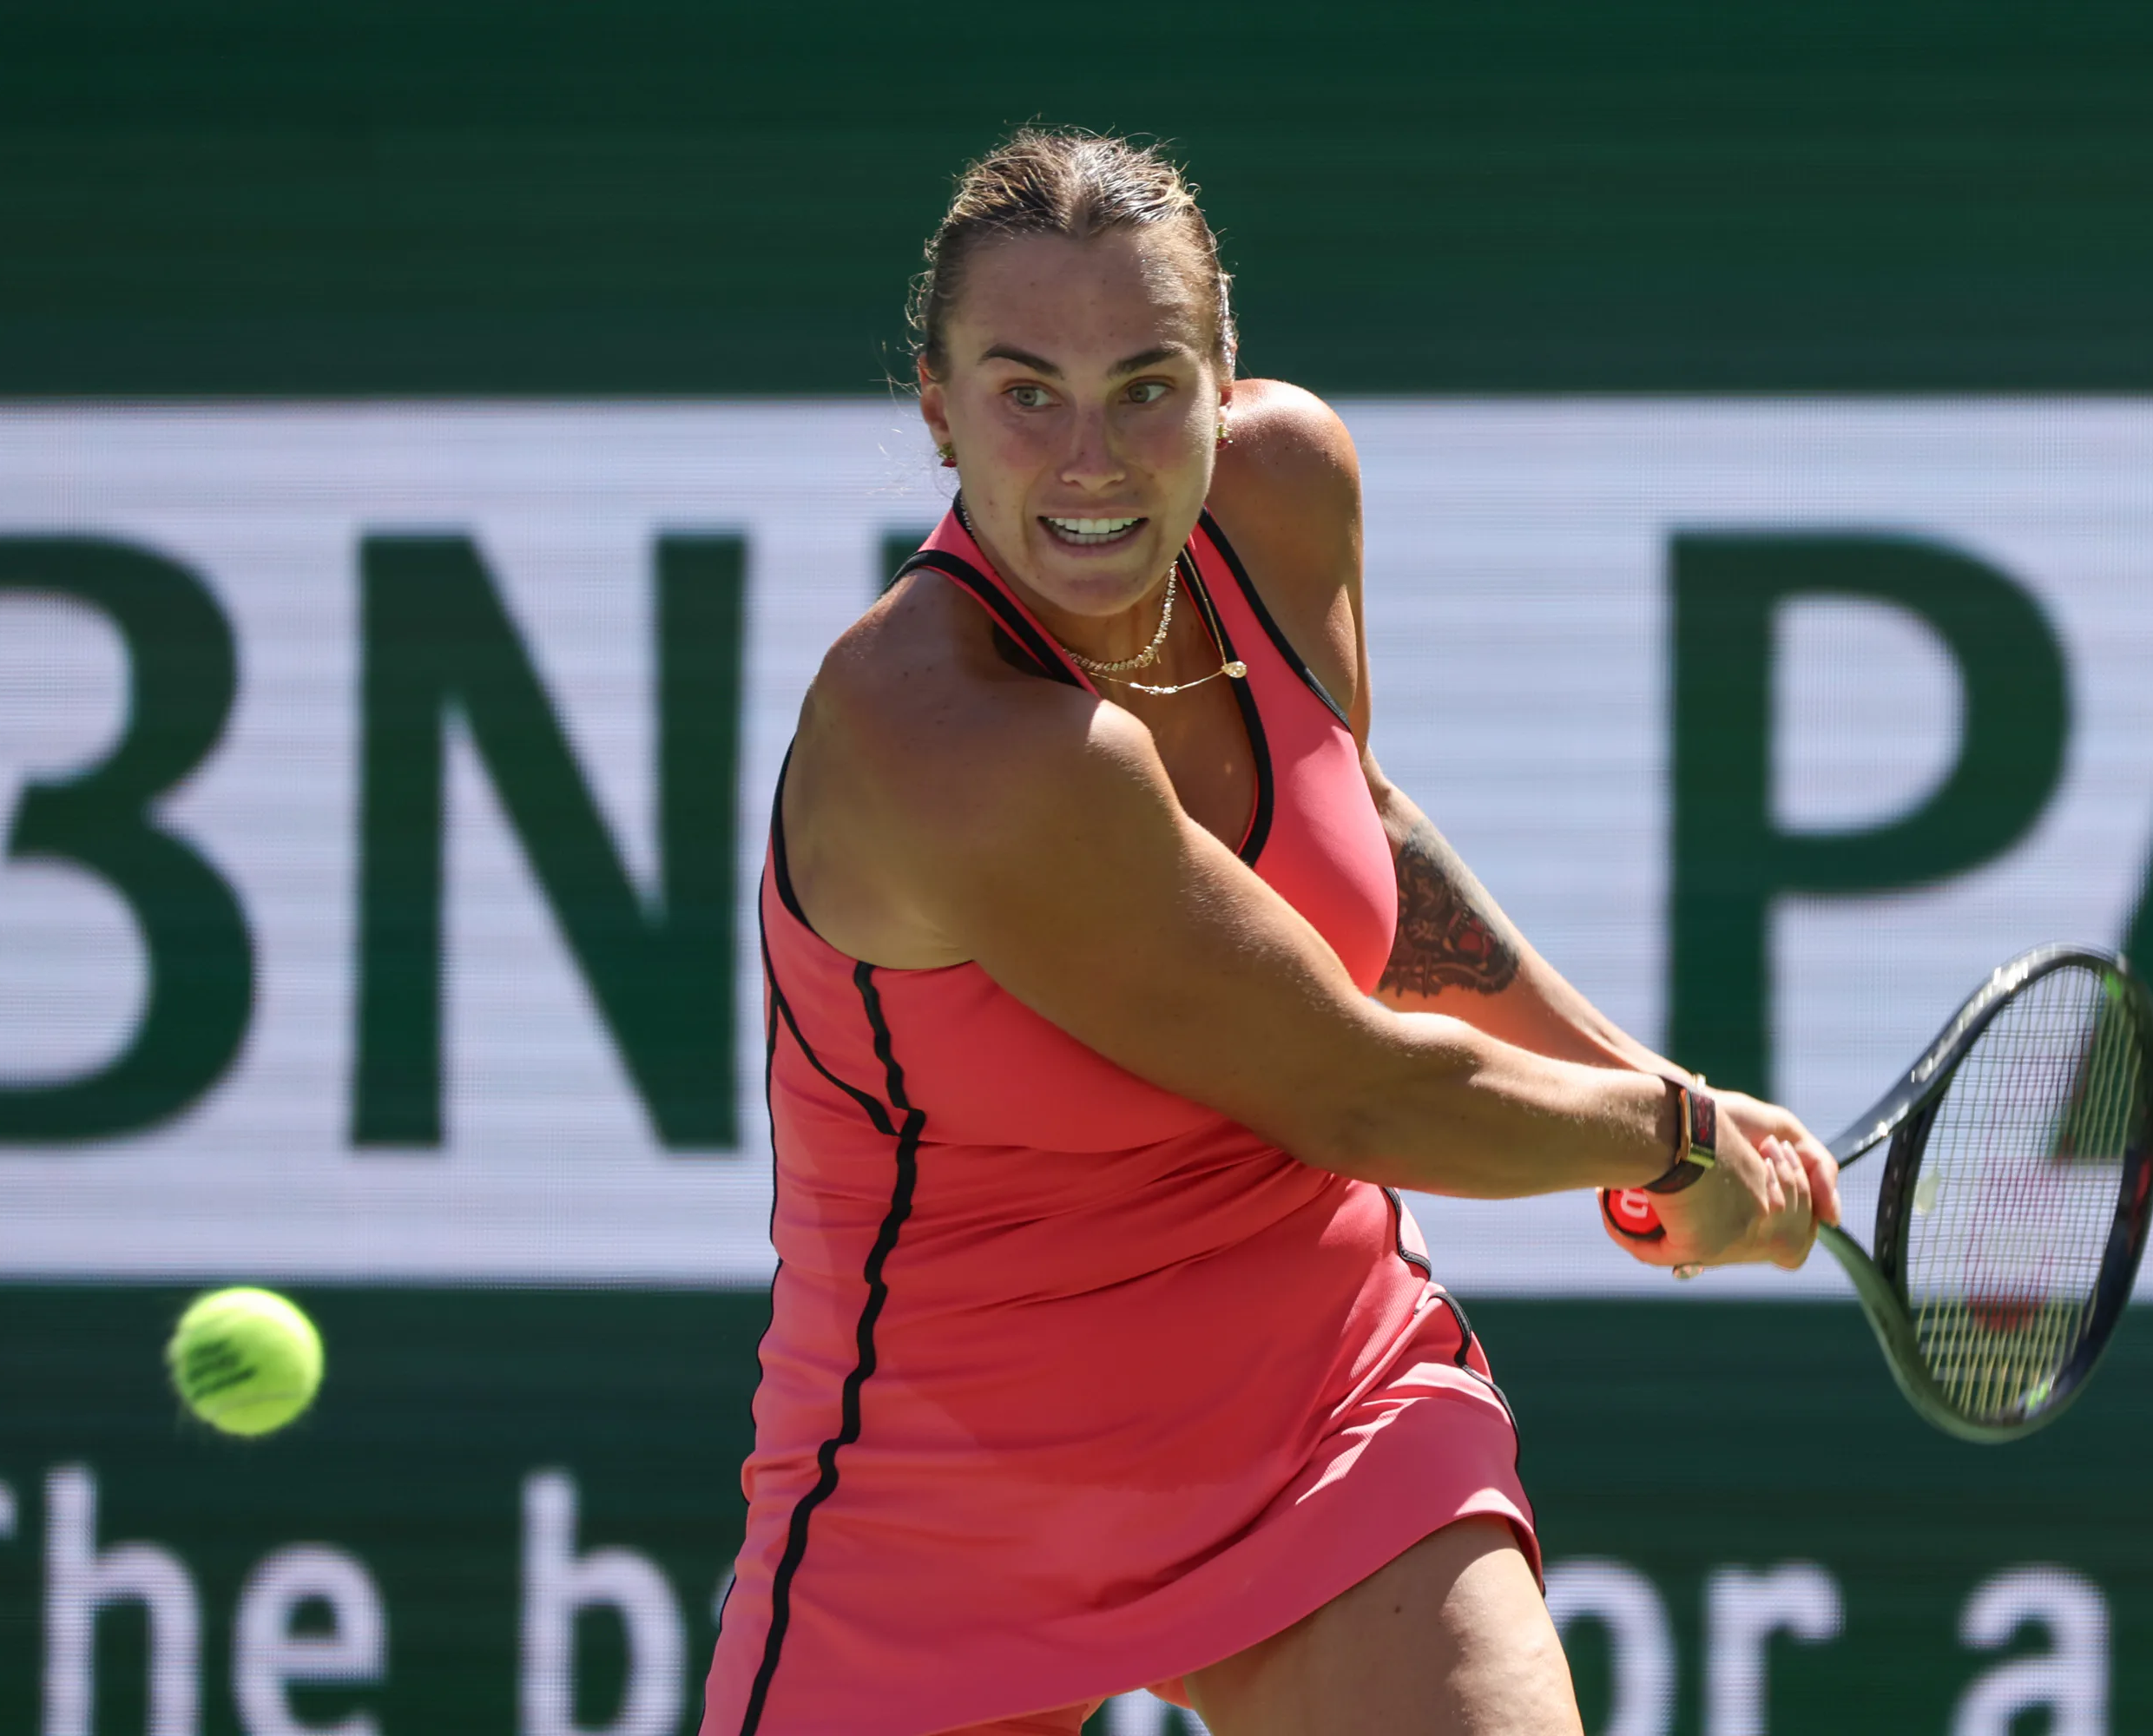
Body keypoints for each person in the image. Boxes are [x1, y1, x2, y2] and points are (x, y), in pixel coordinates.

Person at [702, 128, 1842, 1736]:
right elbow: (1355, 1092)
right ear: (938, 408)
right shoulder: (946, 736)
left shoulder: (1285, 493)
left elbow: (1357, 839)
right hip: (940, 1495)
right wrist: (1667, 1138)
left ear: (1224, 378)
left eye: (1148, 385)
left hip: (1324, 1413)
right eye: (1026, 394)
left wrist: (1644, 1085)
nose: (1091, 459)